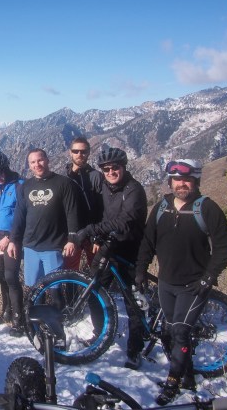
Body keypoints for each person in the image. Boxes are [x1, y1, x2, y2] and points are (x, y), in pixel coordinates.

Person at [135, 159, 227, 405]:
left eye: (187, 180)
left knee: (180, 332)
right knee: (169, 332)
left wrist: (209, 277)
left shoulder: (207, 208)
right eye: (177, 180)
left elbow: (223, 248)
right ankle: (187, 377)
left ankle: (173, 384)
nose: (181, 184)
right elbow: (147, 241)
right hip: (166, 282)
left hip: (194, 284)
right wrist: (140, 269)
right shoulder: (161, 207)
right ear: (170, 181)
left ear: (196, 181)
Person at [70, 147, 147, 369]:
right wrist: (97, 234)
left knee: (132, 301)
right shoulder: (105, 187)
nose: (111, 171)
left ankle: (135, 348)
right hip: (108, 246)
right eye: (106, 169)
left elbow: (125, 221)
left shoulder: (134, 190)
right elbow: (102, 214)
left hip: (131, 249)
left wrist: (91, 229)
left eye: (115, 167)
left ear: (123, 167)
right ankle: (100, 333)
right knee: (93, 287)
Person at [7, 148, 80, 334]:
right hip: (30, 247)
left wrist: (72, 238)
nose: (37, 165)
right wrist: (14, 240)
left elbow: (72, 212)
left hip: (53, 246)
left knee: (55, 290)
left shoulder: (63, 183)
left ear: (47, 160)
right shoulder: (26, 186)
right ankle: (34, 328)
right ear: (29, 165)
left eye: (40, 160)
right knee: (33, 291)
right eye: (32, 162)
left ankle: (57, 330)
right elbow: (19, 216)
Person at [0, 151, 24, 328]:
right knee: (1, 276)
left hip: (11, 238)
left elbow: (24, 217)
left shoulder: (19, 186)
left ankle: (18, 318)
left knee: (11, 277)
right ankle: (6, 312)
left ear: (7, 167)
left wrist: (9, 238)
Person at [63, 137, 104, 270]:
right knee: (70, 269)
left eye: (83, 151)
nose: (79, 154)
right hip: (72, 232)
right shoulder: (64, 178)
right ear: (70, 152)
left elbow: (103, 207)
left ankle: (94, 292)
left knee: (95, 269)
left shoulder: (96, 176)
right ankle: (72, 291)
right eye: (76, 151)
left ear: (88, 152)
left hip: (92, 231)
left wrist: (98, 236)